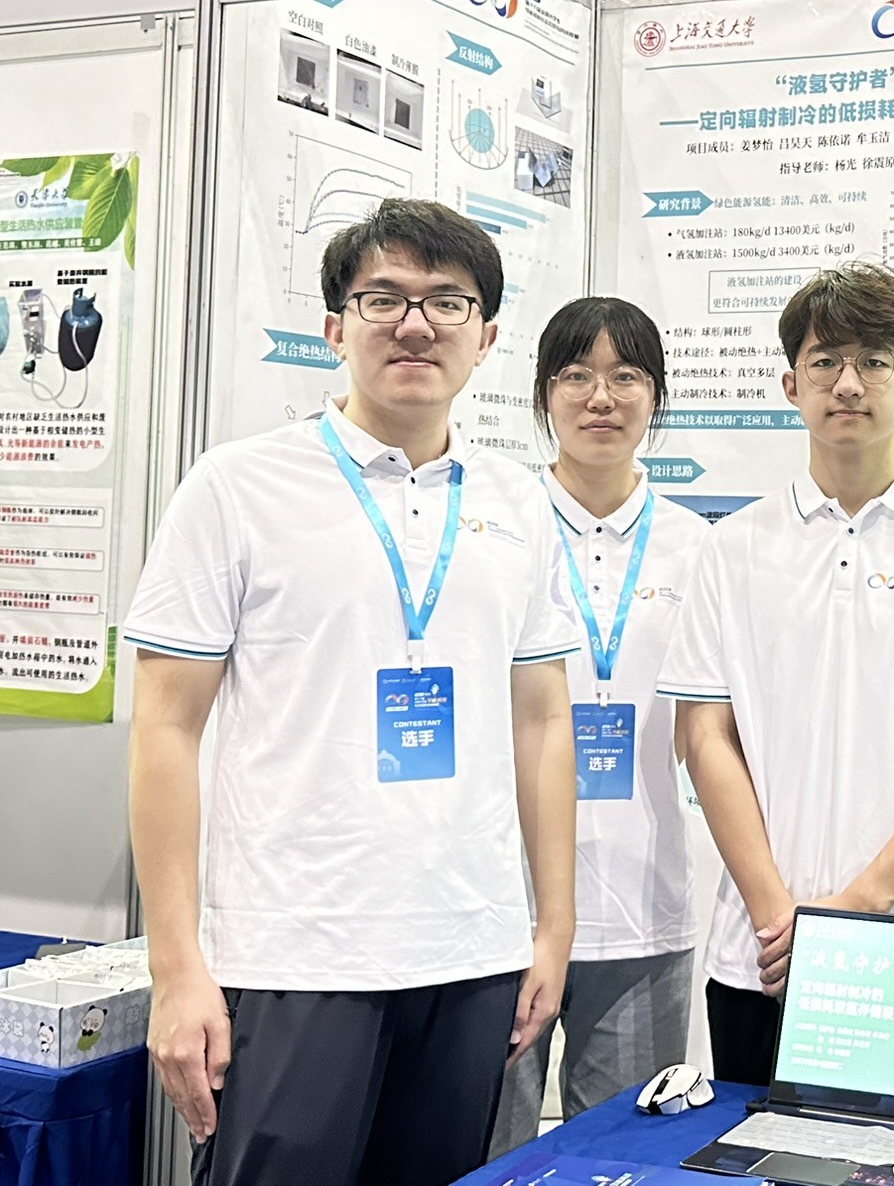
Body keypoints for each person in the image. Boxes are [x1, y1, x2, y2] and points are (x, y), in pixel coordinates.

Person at [125, 198, 583, 1186]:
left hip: (471, 952)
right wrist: (175, 967)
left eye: (447, 302)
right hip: (295, 953)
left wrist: (552, 928)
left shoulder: (517, 501)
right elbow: (164, 728)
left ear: (486, 338)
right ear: (335, 327)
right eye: (384, 299)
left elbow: (545, 722)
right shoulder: (237, 487)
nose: (415, 324)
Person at [662, 261, 894, 1083]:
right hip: (765, 953)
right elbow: (705, 737)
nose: (848, 382)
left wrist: (864, 904)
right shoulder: (733, 547)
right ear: (791, 385)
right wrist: (777, 911)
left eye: (875, 361)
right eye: (826, 361)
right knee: (754, 1148)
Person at [486, 296, 709, 1154]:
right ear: (544, 393)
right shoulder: (494, 530)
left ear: (656, 396)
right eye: (576, 375)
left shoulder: (698, 548)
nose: (601, 397)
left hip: (644, 903)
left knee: (621, 1155)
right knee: (492, 1151)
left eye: (626, 377)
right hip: (501, 903)